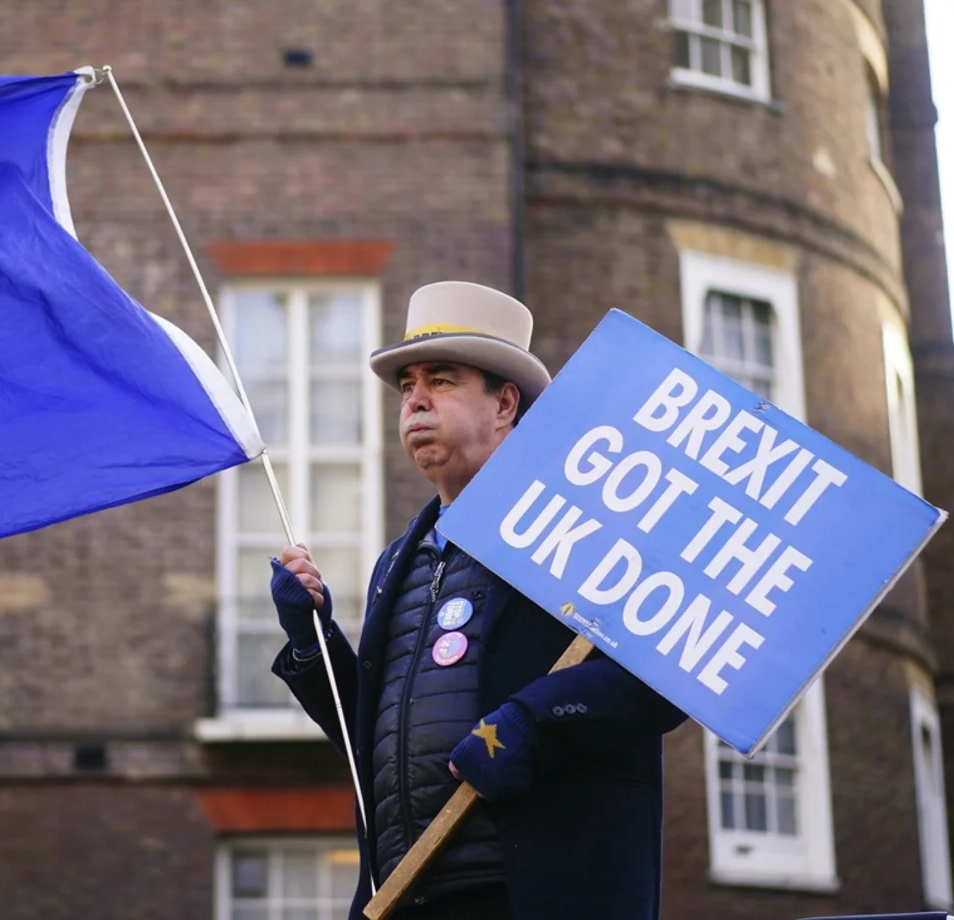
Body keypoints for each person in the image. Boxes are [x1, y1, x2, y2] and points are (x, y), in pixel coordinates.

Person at [268, 281, 687, 920]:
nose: (416, 400)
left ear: (504, 404)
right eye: (407, 385)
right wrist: (311, 641)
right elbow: (373, 746)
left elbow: (664, 674)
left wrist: (533, 722)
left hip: (533, 893)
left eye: (441, 379)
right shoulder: (394, 563)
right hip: (408, 895)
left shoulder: (586, 527)